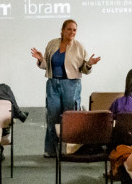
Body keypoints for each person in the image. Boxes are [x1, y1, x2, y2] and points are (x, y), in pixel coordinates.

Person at [31, 19, 101, 158]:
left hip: (71, 84)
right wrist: (40, 59)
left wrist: (89, 64)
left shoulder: (79, 47)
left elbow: (84, 69)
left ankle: (70, 150)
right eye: (69, 29)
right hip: (53, 84)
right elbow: (46, 66)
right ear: (62, 30)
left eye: (74, 30)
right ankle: (50, 150)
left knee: (70, 117)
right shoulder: (52, 44)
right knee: (52, 116)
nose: (72, 32)